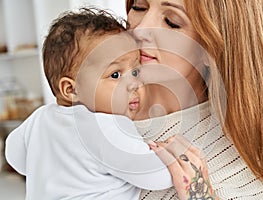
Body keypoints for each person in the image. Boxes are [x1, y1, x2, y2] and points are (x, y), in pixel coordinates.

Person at [125, 0, 263, 200]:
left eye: (171, 21)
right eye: (139, 6)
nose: (139, 30)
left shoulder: (253, 161)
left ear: (211, 49)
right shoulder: (91, 112)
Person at [5, 8, 178, 200]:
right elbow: (158, 177)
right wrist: (171, 153)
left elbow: (14, 157)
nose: (134, 84)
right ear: (71, 90)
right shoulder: (107, 126)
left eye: (136, 72)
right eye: (115, 75)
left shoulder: (40, 117)